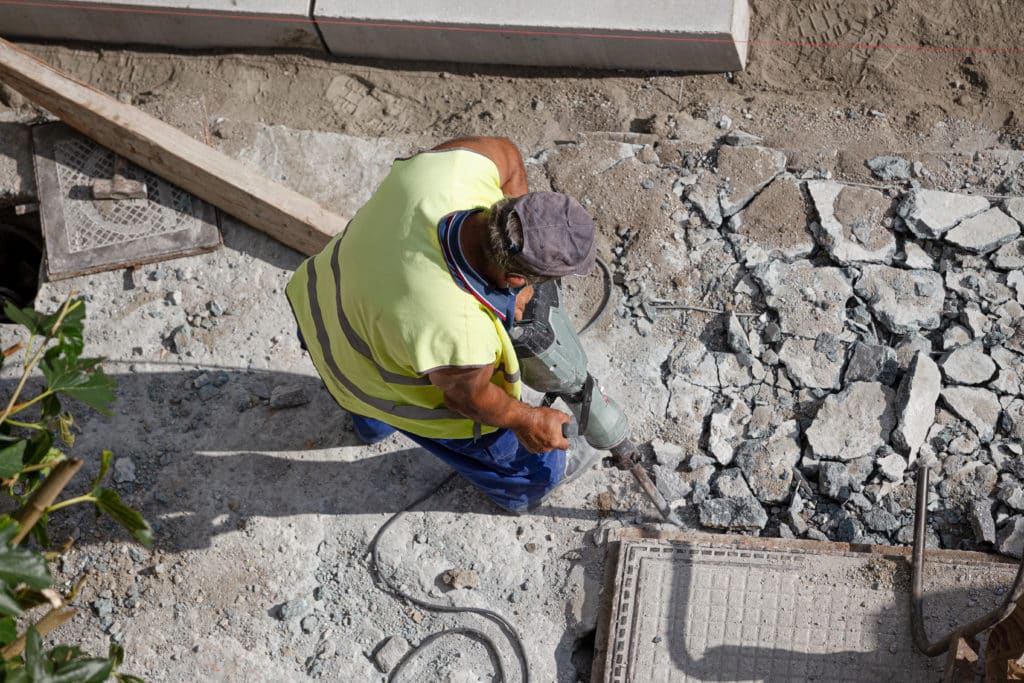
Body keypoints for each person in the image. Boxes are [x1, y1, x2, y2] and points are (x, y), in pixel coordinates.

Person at [286, 136, 600, 512]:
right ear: (518, 279)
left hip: (321, 304)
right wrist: (527, 418)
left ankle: (370, 425)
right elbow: (469, 400)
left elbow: (510, 158)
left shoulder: (453, 171)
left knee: (365, 390)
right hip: (374, 367)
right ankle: (525, 486)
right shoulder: (462, 333)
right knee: (499, 442)